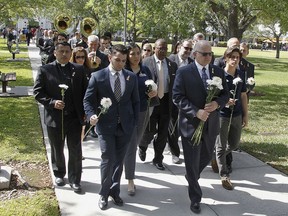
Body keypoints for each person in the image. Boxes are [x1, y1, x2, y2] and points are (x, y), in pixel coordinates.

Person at [172, 40, 229, 214]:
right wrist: (195, 112)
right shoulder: (183, 72)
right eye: (204, 54)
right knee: (191, 160)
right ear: (195, 54)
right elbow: (177, 97)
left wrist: (217, 103)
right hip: (191, 125)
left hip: (211, 125)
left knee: (205, 156)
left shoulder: (217, 71)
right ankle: (195, 198)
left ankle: (191, 175)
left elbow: (225, 94)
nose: (208, 57)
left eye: (210, 54)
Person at [83, 44, 140, 210]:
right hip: (105, 126)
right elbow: (88, 100)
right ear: (110, 58)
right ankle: (103, 192)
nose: (121, 63)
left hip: (125, 126)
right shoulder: (97, 76)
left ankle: (115, 191)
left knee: (119, 161)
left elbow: (135, 101)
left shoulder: (131, 77)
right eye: (117, 60)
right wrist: (91, 115)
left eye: (123, 60)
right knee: (107, 159)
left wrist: (134, 122)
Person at [33, 42, 87, 193]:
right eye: (61, 51)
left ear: (71, 54)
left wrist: (86, 112)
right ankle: (59, 173)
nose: (64, 54)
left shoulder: (79, 69)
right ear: (55, 53)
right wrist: (52, 102)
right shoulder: (45, 70)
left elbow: (85, 92)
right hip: (54, 117)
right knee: (57, 147)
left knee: (75, 149)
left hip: (74, 117)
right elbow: (38, 92)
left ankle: (75, 179)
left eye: (67, 51)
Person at [138, 38, 178, 170]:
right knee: (149, 130)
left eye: (165, 48)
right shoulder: (146, 62)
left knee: (163, 132)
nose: (163, 50)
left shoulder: (172, 65)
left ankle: (158, 158)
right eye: (160, 48)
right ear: (154, 48)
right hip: (151, 102)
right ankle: (143, 146)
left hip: (166, 101)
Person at [124, 43, 157, 196]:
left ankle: (126, 164)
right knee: (131, 146)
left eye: (138, 53)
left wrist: (152, 92)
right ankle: (130, 179)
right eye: (132, 54)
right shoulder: (123, 71)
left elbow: (151, 88)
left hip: (143, 111)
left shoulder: (145, 70)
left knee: (135, 143)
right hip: (126, 113)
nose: (136, 56)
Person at [214, 47, 248, 191]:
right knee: (221, 145)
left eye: (237, 57)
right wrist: (225, 101)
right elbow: (214, 96)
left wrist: (246, 114)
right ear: (226, 58)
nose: (235, 60)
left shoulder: (240, 75)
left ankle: (216, 157)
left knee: (233, 144)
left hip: (237, 114)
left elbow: (243, 95)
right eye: (232, 57)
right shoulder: (219, 75)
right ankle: (224, 175)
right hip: (222, 114)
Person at [168, 39, 194, 164]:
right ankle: (175, 152)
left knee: (181, 126)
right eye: (186, 48)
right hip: (171, 98)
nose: (188, 51)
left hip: (186, 99)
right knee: (173, 125)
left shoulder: (192, 63)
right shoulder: (170, 60)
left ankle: (172, 144)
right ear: (179, 47)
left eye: (190, 49)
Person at [70, 46, 92, 145]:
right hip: (76, 103)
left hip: (87, 101)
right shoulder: (71, 70)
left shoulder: (89, 70)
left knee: (84, 127)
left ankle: (80, 145)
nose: (80, 59)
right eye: (78, 57)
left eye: (83, 57)